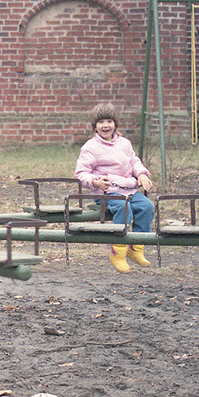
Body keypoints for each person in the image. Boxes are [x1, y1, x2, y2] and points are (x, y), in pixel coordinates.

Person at [74, 102, 154, 273]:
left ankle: (136, 248)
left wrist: (141, 174)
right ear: (95, 126)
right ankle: (118, 252)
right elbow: (81, 173)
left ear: (115, 124)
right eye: (101, 122)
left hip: (129, 188)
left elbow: (134, 162)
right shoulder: (90, 147)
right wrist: (95, 182)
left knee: (146, 207)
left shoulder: (124, 143)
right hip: (107, 191)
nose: (105, 126)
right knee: (124, 209)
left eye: (109, 121)